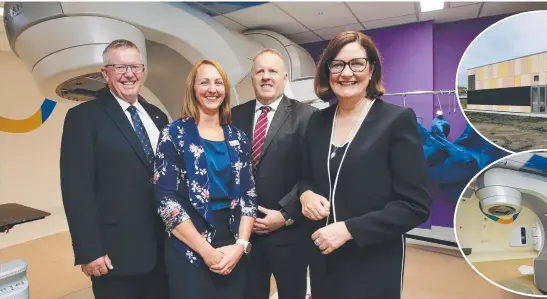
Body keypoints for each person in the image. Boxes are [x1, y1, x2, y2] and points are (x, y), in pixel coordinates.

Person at [299, 31, 432, 299]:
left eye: (356, 64)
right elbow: (305, 177)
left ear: (371, 70)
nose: (346, 73)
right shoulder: (318, 122)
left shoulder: (395, 120)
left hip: (372, 259)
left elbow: (415, 205)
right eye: (337, 64)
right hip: (323, 254)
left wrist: (348, 230)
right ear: (328, 72)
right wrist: (305, 194)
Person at [59, 39, 169, 299]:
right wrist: (89, 250)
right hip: (115, 255)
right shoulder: (83, 118)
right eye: (120, 67)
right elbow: (77, 188)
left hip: (164, 250)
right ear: (105, 73)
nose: (129, 74)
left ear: (143, 71)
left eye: (135, 67)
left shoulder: (157, 117)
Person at [153, 59, 257, 299]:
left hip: (232, 240)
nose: (212, 89)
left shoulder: (239, 138)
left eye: (218, 83)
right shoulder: (174, 134)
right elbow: (165, 199)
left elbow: (248, 195)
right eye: (204, 82)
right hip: (188, 241)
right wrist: (206, 251)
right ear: (193, 89)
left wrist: (241, 245)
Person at [231, 48, 317, 299]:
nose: (266, 77)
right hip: (245, 234)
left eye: (272, 71)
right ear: (253, 78)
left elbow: (311, 173)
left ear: (285, 78)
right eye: (260, 71)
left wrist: (286, 215)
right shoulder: (235, 116)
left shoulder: (308, 117)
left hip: (289, 235)